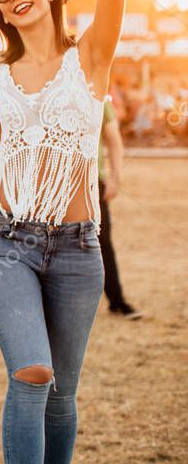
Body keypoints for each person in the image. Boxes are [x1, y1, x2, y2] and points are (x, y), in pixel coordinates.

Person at [0, 0, 160, 463]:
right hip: (7, 244)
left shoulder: (91, 59)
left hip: (79, 248)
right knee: (32, 374)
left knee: (64, 393)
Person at [98, 99, 140, 319]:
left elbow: (114, 139)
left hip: (92, 181)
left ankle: (116, 301)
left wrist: (115, 177)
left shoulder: (98, 95)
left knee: (102, 241)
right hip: (54, 184)